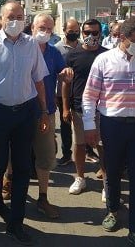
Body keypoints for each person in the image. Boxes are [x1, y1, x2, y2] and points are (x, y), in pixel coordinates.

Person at [0, 0, 48, 245]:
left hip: (25, 113)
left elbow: (38, 80)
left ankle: (16, 221)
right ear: (1, 19)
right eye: (10, 16)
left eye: (20, 16)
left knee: (24, 167)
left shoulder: (31, 45)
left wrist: (44, 111)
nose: (15, 21)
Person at [82, 16, 135, 246]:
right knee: (112, 172)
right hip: (112, 126)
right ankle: (112, 210)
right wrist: (89, 126)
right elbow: (89, 96)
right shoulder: (103, 61)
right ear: (121, 37)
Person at [61, 19, 107, 198]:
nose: (91, 36)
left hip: (102, 109)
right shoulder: (72, 56)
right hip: (79, 108)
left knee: (103, 146)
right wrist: (65, 107)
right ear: (82, 33)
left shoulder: (106, 55)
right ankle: (80, 177)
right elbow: (65, 84)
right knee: (79, 144)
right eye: (87, 33)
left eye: (95, 33)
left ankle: (107, 183)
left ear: (100, 34)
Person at [30, 13, 67, 219]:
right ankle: (8, 181)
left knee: (45, 157)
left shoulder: (53, 53)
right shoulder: (24, 49)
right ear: (33, 27)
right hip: (22, 112)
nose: (45, 32)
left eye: (49, 29)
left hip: (46, 113)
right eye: (42, 28)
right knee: (14, 153)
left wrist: (66, 73)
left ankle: (42, 198)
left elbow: (63, 72)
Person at [53, 18, 80, 167]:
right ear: (64, 31)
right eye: (71, 31)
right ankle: (66, 154)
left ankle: (87, 151)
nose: (74, 34)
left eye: (77, 31)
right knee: (65, 124)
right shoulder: (56, 49)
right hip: (61, 93)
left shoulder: (82, 47)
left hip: (78, 92)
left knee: (82, 124)